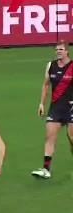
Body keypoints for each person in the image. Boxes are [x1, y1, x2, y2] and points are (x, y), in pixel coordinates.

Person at [32, 41, 73, 179]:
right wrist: (41, 104)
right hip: (55, 107)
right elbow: (45, 85)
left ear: (67, 51)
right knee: (49, 137)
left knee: (71, 138)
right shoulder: (51, 66)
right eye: (57, 49)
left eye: (61, 49)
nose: (58, 52)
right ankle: (46, 169)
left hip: (71, 108)